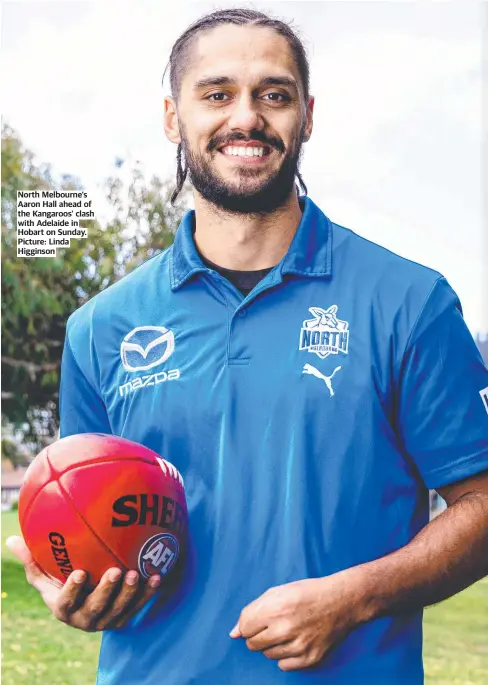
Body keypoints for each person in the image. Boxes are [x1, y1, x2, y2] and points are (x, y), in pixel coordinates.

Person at [8, 8, 488, 685]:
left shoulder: (408, 301)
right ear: (174, 118)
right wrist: (77, 590)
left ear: (307, 116)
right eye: (216, 93)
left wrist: (355, 599)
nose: (247, 117)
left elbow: (481, 504)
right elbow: (89, 527)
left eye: (274, 93)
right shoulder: (100, 328)